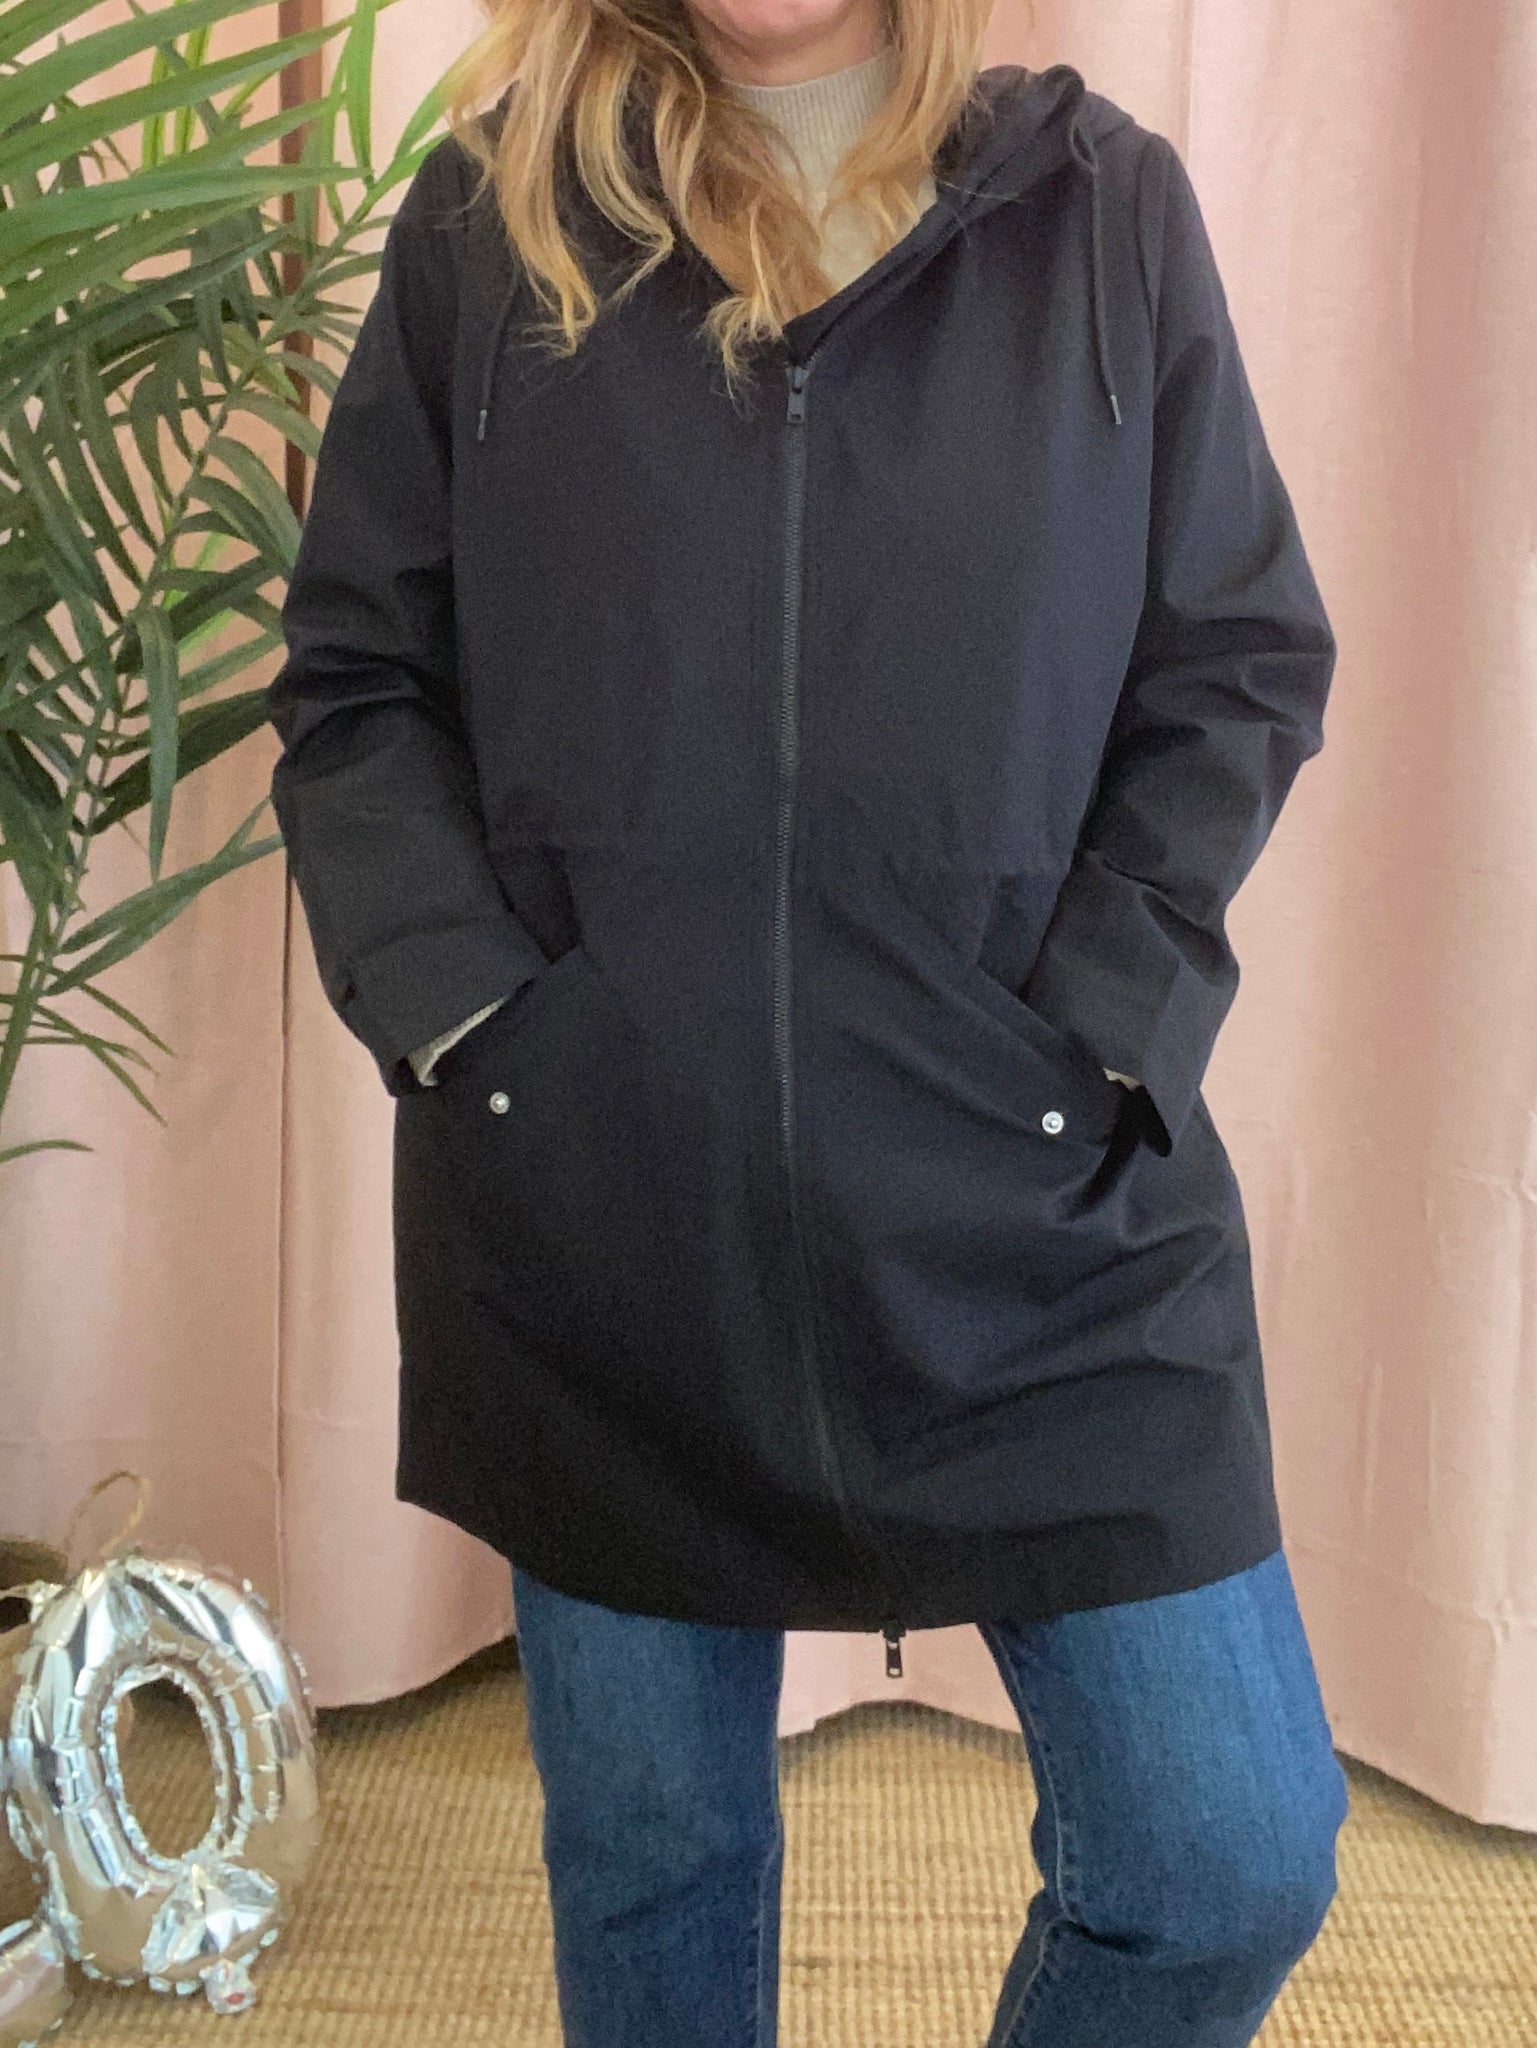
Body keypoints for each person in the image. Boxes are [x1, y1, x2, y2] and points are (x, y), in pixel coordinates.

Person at [264, 0, 1349, 2035]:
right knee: (655, 1885)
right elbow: (359, 684)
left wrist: (1102, 1026)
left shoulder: (1097, 210)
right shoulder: (489, 223)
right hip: (609, 1217)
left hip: (1037, 1203)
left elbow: (1231, 658)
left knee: (1225, 1851)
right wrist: (480, 1038)